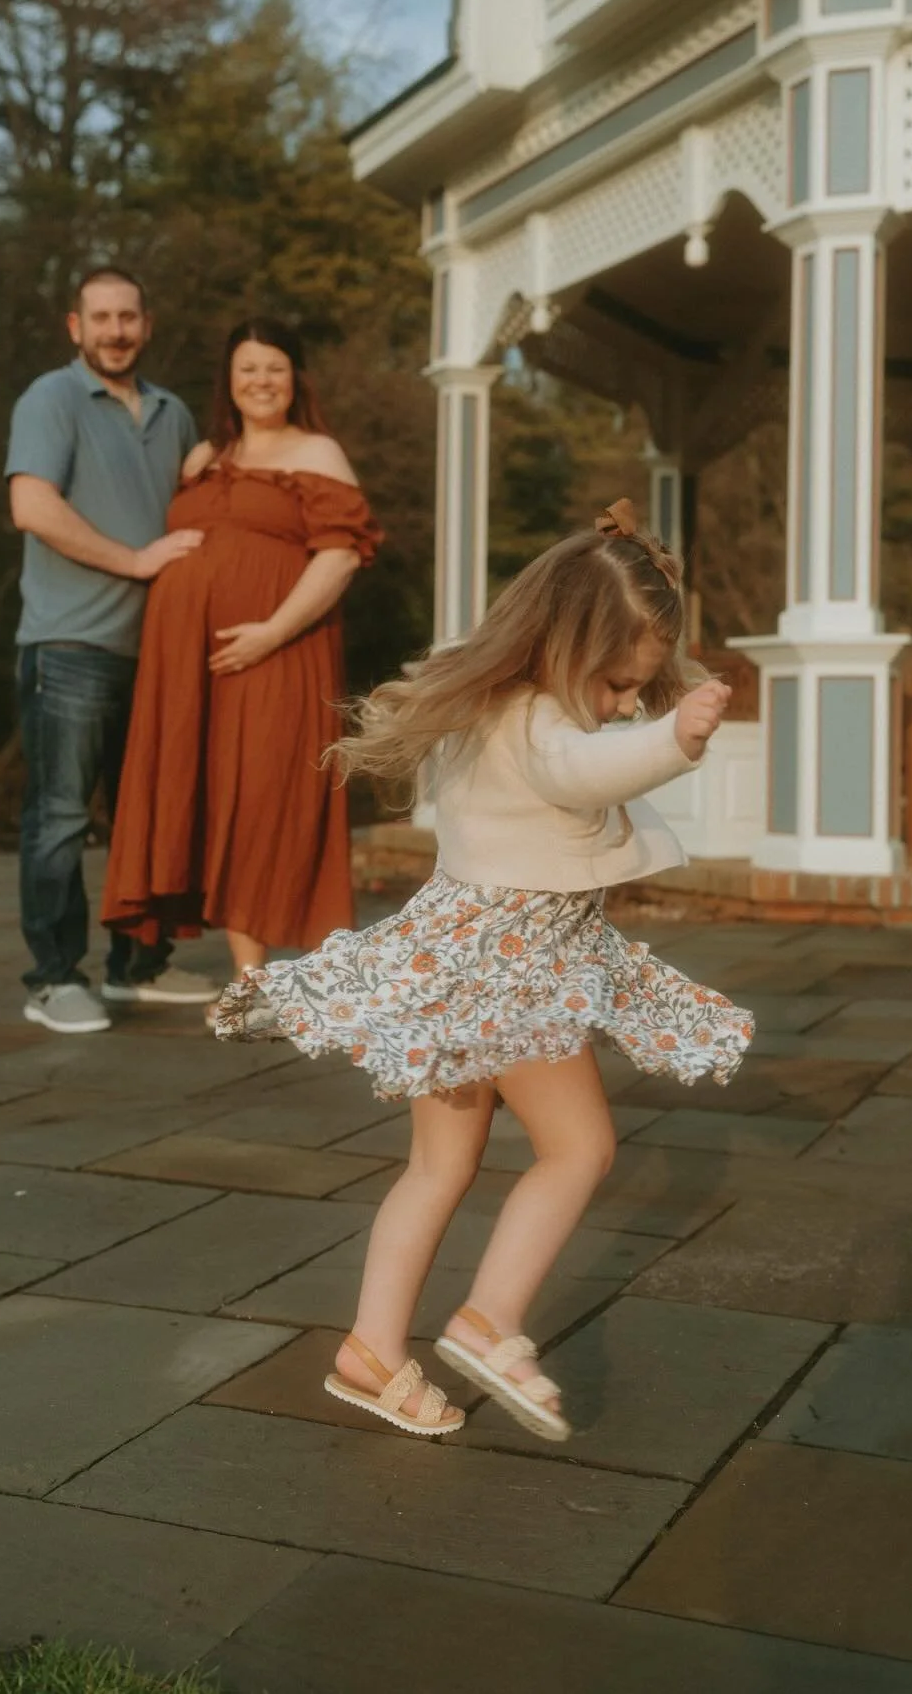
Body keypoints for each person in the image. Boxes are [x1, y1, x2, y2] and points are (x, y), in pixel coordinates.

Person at [213, 500, 753, 1439]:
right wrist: (676, 739)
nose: (628, 703)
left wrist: (654, 710)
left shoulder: (493, 698)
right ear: (571, 646)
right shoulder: (542, 723)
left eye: (639, 691)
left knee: (439, 1164)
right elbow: (588, 770)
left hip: (460, 954)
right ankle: (491, 1320)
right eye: (621, 683)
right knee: (579, 1149)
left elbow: (592, 743)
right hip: (513, 966)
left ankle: (373, 1350)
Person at [102, 316, 382, 982]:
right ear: (229, 383)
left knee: (266, 797)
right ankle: (251, 979)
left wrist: (271, 631)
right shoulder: (203, 459)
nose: (262, 381)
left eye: (275, 368)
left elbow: (340, 557)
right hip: (194, 670)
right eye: (248, 369)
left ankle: (322, 974)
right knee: (213, 795)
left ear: (296, 379)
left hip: (280, 652)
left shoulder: (319, 454)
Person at [6, 268, 221, 1033]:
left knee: (146, 814)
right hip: (70, 643)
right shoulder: (52, 398)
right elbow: (31, 506)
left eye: (128, 315)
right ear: (76, 326)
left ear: (147, 323)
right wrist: (133, 561)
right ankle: (53, 979)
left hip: (156, 653)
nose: (116, 330)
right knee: (60, 817)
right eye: (101, 317)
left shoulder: (172, 411)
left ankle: (139, 967)